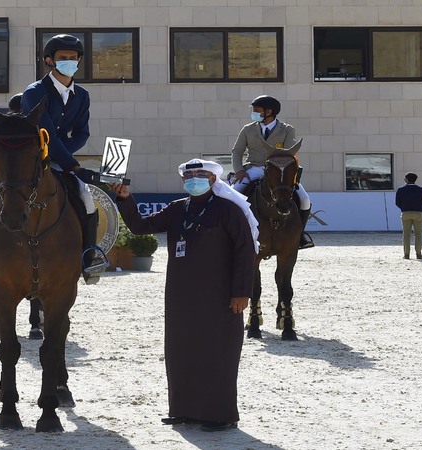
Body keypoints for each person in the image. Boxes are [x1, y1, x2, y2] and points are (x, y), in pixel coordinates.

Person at [109, 158, 257, 432]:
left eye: (199, 174)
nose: (193, 179)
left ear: (213, 179)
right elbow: (141, 226)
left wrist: (241, 293)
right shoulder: (178, 209)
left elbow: (245, 252)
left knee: (217, 352)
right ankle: (184, 410)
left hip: (220, 295)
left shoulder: (228, 210)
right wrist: (126, 199)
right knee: (182, 350)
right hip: (181, 295)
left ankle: (220, 414)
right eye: (188, 175)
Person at [0, 34, 107, 284]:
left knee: (85, 196)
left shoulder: (82, 95)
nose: (69, 62)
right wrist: (72, 164)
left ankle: (89, 255)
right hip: (22, 158)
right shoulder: (35, 92)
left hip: (55, 158)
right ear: (49, 60)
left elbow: (82, 134)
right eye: (63, 58)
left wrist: (61, 156)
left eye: (73, 58)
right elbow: (45, 132)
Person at [231, 95, 314, 249]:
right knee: (232, 196)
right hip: (254, 169)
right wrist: (239, 170)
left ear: (269, 112)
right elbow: (237, 151)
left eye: (257, 110)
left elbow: (289, 154)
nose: (254, 113)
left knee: (304, 199)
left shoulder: (287, 130)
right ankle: (231, 235)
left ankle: (300, 235)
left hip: (279, 170)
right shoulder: (248, 129)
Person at [395, 172, 422, 259]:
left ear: (406, 179)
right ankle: (418, 254)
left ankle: (406, 254)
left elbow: (397, 202)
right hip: (418, 213)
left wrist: (403, 208)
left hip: (406, 212)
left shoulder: (401, 190)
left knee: (406, 234)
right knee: (418, 234)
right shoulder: (421, 189)